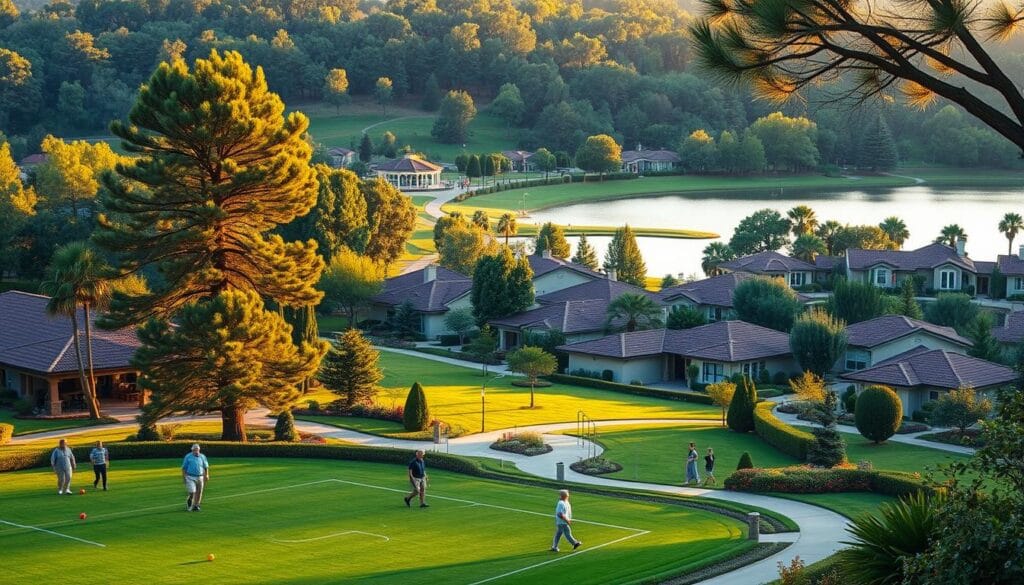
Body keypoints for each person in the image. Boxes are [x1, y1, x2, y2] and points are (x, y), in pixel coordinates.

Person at [181, 444, 210, 512]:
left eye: (197, 450)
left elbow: (206, 466)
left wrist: (207, 475)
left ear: (199, 450)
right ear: (192, 450)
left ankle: (196, 505)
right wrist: (184, 477)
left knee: (199, 492)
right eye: (194, 450)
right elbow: (184, 468)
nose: (196, 451)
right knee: (192, 492)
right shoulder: (188, 457)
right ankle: (190, 500)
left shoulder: (202, 456)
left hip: (200, 477)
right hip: (190, 476)